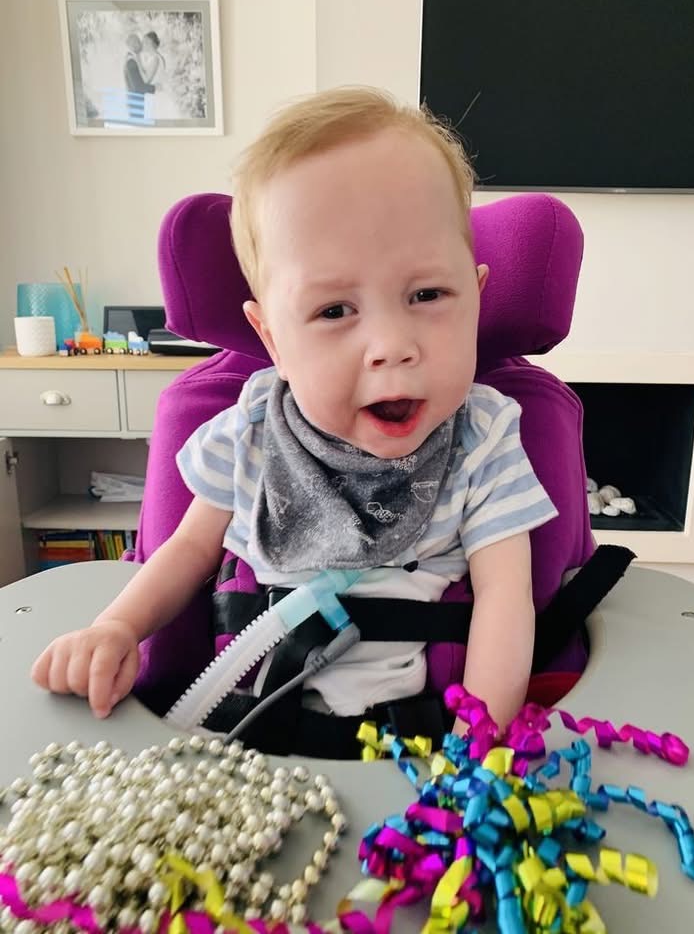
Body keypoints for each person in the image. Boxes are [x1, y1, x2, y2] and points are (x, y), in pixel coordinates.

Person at [31, 87, 558, 735]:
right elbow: (189, 549)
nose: (392, 346)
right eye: (334, 311)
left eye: (428, 294)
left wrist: (479, 746)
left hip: (413, 752)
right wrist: (116, 627)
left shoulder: (482, 443)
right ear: (272, 339)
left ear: (476, 299)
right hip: (241, 737)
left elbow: (507, 601)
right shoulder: (252, 434)